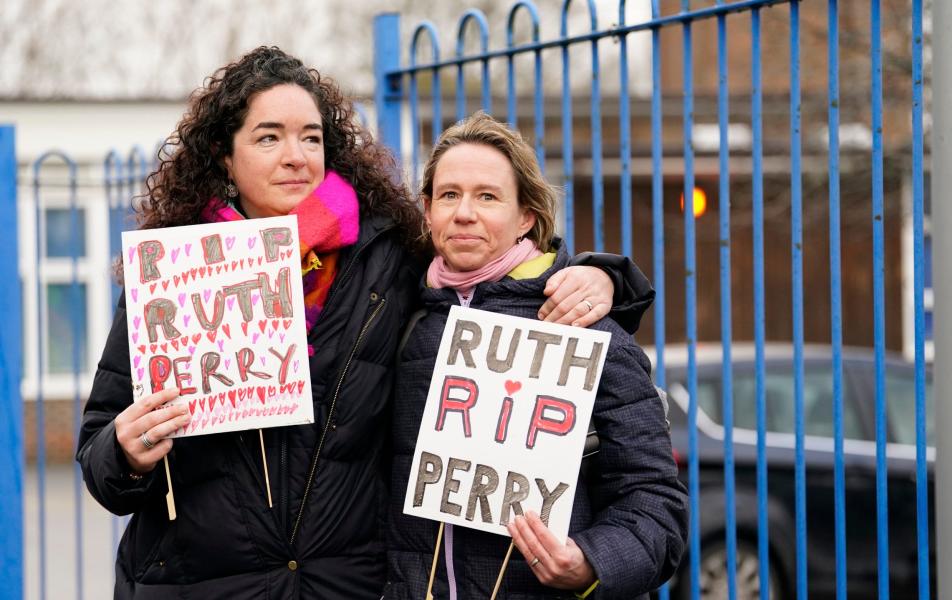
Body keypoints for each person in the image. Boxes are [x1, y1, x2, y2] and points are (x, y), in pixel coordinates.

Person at [76, 47, 643, 599]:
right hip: (196, 582)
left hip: (341, 583)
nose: (296, 155)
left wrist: (603, 277)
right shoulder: (172, 277)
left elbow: (488, 269)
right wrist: (124, 454)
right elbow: (101, 455)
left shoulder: (385, 253)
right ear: (225, 156)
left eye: (311, 137)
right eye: (269, 136)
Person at [383, 113, 688, 600]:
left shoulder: (583, 327)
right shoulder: (401, 323)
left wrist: (591, 563)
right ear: (427, 210)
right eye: (449, 195)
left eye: (487, 196)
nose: (464, 212)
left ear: (526, 215)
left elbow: (656, 504)